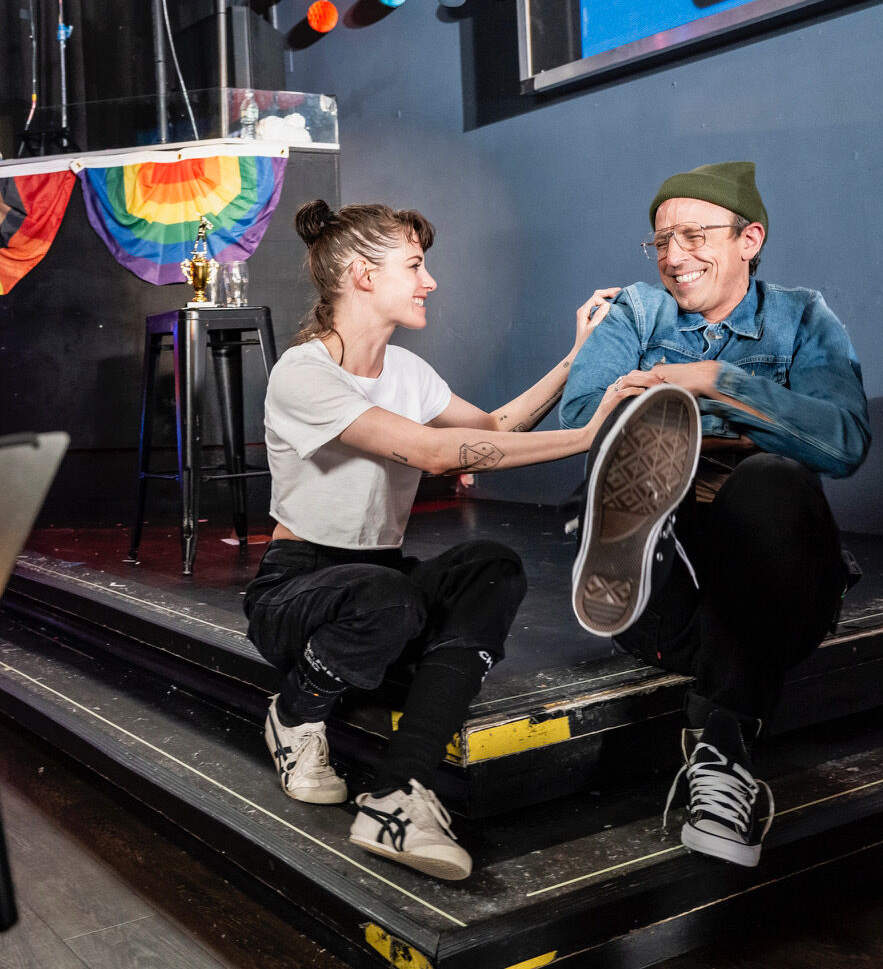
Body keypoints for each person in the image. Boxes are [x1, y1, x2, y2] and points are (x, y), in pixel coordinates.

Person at [244, 199, 648, 881]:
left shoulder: (408, 373)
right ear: (363, 275)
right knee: (386, 596)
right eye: (415, 266)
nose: (429, 282)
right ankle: (295, 712)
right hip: (296, 591)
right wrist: (589, 438)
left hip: (380, 587)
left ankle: (398, 792)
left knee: (490, 565)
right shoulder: (304, 373)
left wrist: (578, 357)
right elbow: (434, 454)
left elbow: (491, 430)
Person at [559, 161, 870, 868]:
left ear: (749, 238)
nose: (671, 256)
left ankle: (719, 752)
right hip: (658, 602)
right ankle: (722, 751)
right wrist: (742, 417)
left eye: (693, 236)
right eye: (661, 241)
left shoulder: (803, 317)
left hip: (777, 580)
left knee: (773, 484)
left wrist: (705, 382)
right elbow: (584, 419)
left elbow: (844, 440)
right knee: (674, 463)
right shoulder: (636, 311)